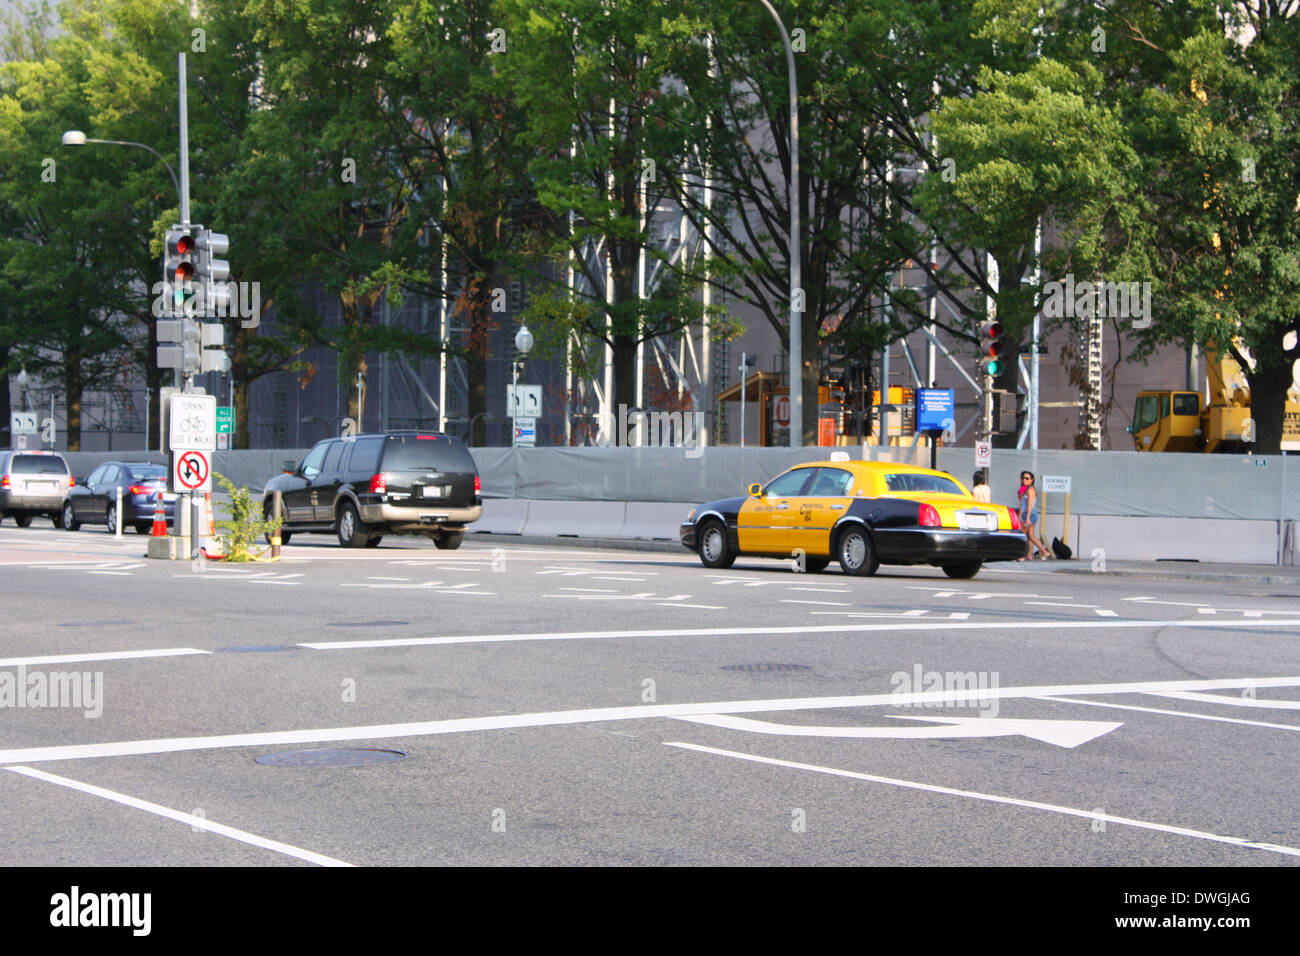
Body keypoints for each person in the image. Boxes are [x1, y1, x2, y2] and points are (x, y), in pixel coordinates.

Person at [1017, 470, 1051, 561]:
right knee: (1030, 536)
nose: (1024, 480)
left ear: (1031, 480)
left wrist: (1027, 518)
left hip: (1030, 514)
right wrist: (1020, 515)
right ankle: (1043, 552)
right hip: (1025, 514)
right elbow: (1021, 504)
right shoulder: (1024, 489)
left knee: (1022, 535)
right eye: (1023, 478)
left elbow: (1029, 505)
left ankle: (1021, 556)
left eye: (1027, 478)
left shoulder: (1030, 490)